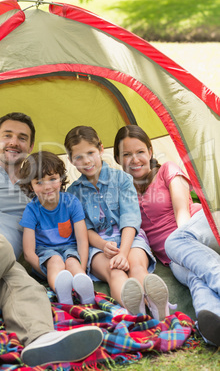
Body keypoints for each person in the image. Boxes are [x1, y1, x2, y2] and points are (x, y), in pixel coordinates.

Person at [0, 112, 103, 367]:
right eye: (8, 135)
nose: (14, 142)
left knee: (25, 285)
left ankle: (42, 339)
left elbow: (71, 212)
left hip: (2, 261)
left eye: (22, 138)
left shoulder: (39, 186)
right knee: (1, 244)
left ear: (30, 146)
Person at [114, 124, 220, 347]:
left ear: (150, 152)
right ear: (118, 159)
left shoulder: (167, 170)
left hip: (199, 230)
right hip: (173, 258)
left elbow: (182, 212)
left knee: (176, 241)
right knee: (193, 279)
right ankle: (212, 324)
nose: (135, 159)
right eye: (127, 154)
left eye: (140, 152)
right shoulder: (123, 191)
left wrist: (180, 244)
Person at [64, 125, 170, 321]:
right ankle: (136, 310)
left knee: (136, 266)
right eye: (78, 157)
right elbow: (84, 229)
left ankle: (157, 305)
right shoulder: (73, 193)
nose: (86, 161)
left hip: (129, 236)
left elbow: (131, 217)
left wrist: (123, 252)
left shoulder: (122, 179)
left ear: (101, 149)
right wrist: (104, 246)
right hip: (98, 244)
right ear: (71, 160)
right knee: (115, 271)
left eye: (91, 153)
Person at [19, 151, 95, 305]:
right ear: (30, 186)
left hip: (70, 249)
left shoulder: (71, 202)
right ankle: (62, 291)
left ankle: (85, 289)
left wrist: (82, 266)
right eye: (39, 182)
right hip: (46, 255)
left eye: (52, 179)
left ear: (60, 179)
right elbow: (28, 253)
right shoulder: (32, 210)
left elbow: (82, 240)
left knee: (72, 261)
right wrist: (46, 272)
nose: (47, 187)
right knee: (55, 261)